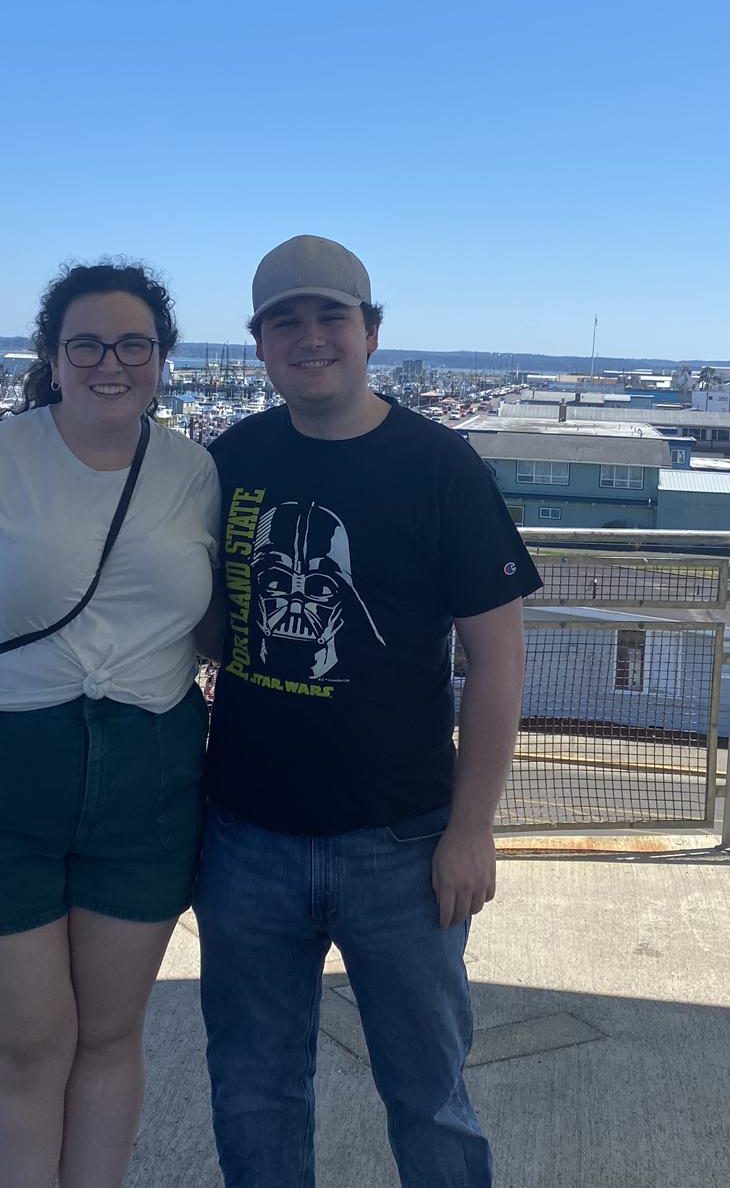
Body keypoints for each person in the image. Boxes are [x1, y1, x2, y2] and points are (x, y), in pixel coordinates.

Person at [0, 262, 219, 1188]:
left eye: (133, 344)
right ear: (53, 358)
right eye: (87, 344)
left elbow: (213, 624)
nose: (112, 362)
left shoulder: (194, 473)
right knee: (26, 1048)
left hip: (147, 774)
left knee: (108, 1037)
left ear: (162, 359)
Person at [194, 235, 542, 1188]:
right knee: (252, 1087)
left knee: (430, 1095)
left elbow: (499, 655)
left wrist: (474, 830)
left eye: (329, 317)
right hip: (246, 839)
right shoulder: (229, 460)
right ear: (258, 345)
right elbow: (202, 624)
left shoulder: (439, 466)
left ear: (371, 333)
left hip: (405, 844)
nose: (309, 339)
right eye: (284, 322)